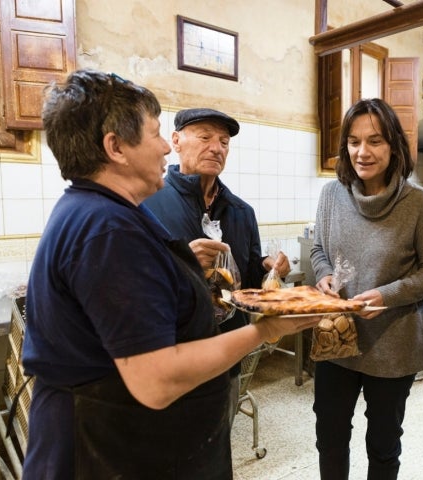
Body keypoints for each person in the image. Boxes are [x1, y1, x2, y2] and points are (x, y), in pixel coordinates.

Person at [21, 69, 318, 479]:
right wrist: (266, 331)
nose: (165, 147)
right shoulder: (108, 228)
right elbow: (156, 381)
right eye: (156, 133)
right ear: (116, 147)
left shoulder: (104, 213)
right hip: (105, 451)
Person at [310, 98, 423, 479]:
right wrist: (323, 275)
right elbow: (320, 248)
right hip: (336, 339)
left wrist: (387, 295)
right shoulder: (332, 195)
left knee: (383, 446)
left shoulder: (418, 202)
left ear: (394, 146)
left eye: (375, 141)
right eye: (354, 141)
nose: (362, 152)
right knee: (329, 436)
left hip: (393, 342)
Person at [142, 107, 290, 423]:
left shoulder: (240, 212)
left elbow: (247, 280)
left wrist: (268, 268)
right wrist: (181, 262)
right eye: (205, 137)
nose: (216, 148)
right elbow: (129, 279)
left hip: (226, 352)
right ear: (176, 141)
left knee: (218, 440)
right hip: (171, 355)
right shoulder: (147, 203)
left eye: (224, 141)